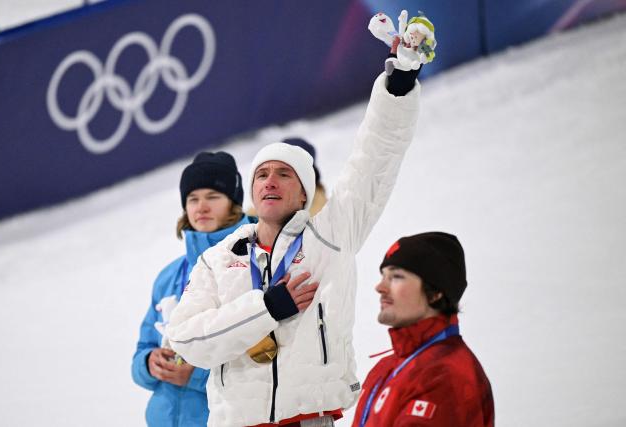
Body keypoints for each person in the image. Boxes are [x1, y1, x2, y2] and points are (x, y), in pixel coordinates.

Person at [166, 40, 423, 427]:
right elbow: (186, 339)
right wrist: (266, 309)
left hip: (310, 419)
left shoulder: (330, 238)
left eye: (284, 174)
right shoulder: (219, 258)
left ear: (304, 193)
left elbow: (374, 161)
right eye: (262, 175)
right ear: (252, 191)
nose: (271, 181)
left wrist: (398, 86)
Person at [131, 151, 256, 427]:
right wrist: (148, 364)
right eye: (192, 198)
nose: (201, 207)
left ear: (234, 204)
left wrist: (196, 377)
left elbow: (262, 355)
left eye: (213, 197)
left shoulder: (254, 263)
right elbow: (143, 346)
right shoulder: (169, 276)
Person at [351, 232, 494, 427]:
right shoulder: (387, 367)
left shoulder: (445, 375)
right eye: (383, 276)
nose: (380, 287)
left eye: (396, 277)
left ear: (435, 292)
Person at [247, 137, 327, 217]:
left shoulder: (324, 215)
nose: (269, 183)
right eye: (263, 175)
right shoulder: (252, 216)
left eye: (283, 175)